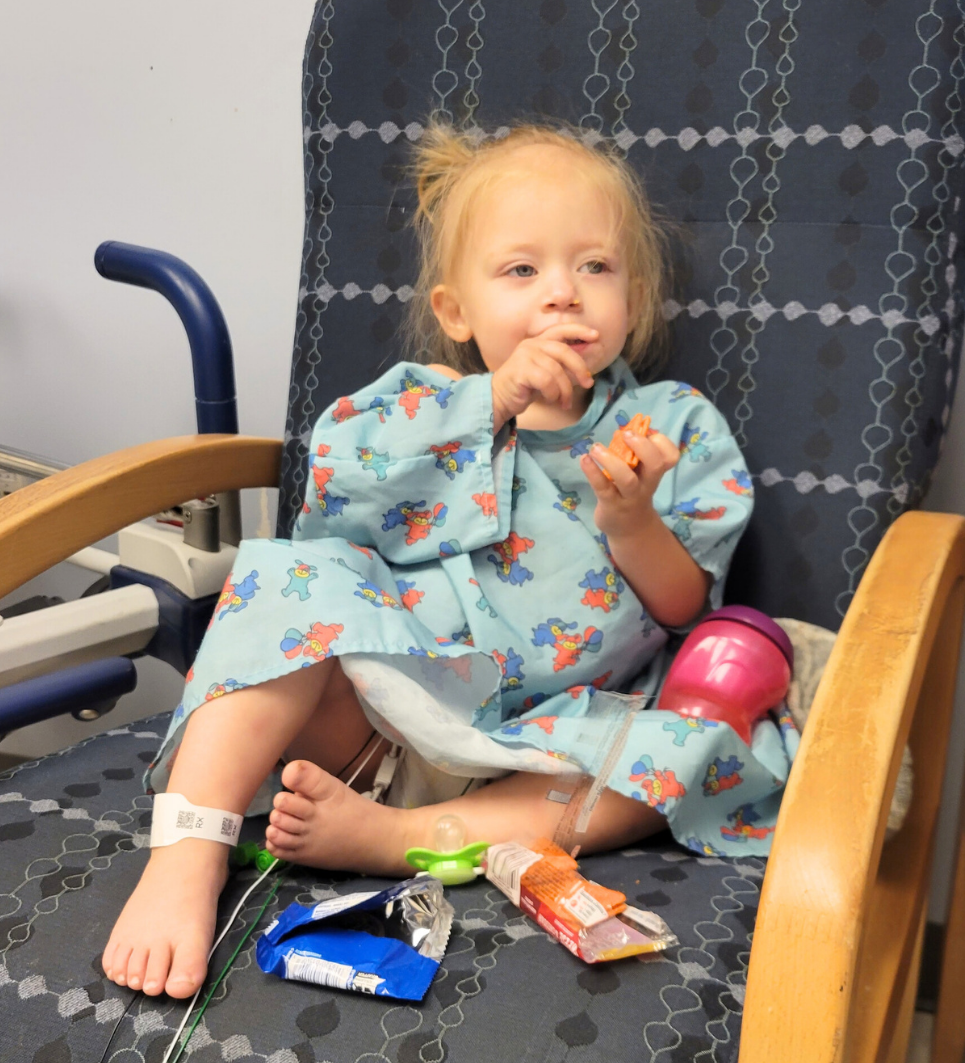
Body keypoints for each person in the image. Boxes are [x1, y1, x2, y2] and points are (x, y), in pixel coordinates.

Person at [103, 122, 791, 1001]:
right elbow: (332, 505)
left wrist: (631, 520)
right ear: (456, 313)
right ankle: (187, 847)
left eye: (594, 268)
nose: (562, 296)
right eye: (521, 271)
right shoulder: (418, 401)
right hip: (378, 717)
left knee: (693, 748)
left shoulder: (671, 424)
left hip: (546, 742)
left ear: (635, 296)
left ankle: (406, 835)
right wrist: (491, 401)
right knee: (281, 577)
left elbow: (684, 611)